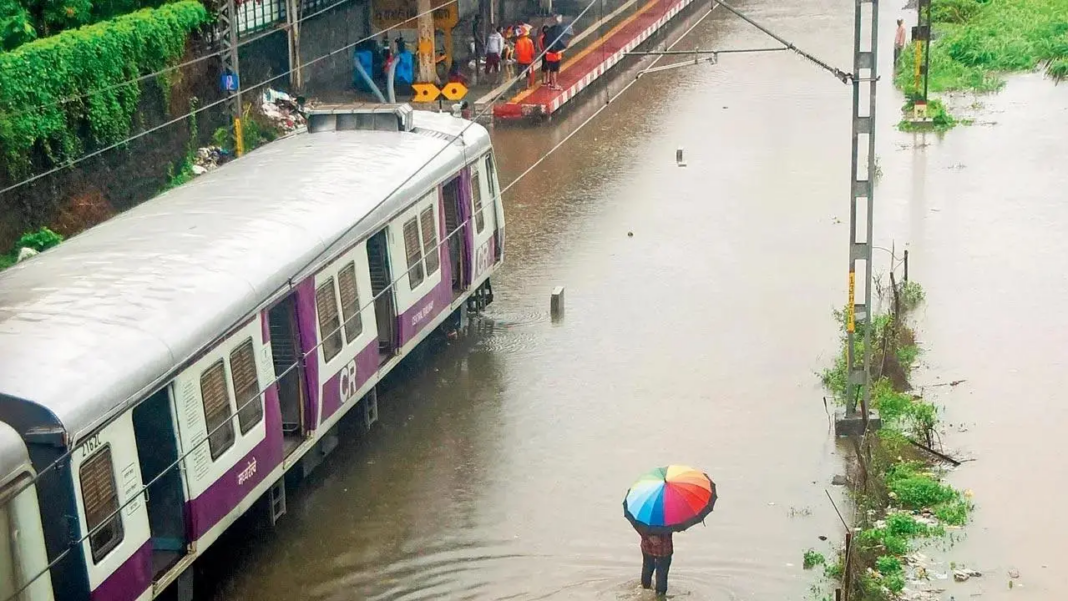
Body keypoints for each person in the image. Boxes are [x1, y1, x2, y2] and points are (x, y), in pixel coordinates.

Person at [639, 529, 673, 596]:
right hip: (664, 550)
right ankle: (660, 595)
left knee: (647, 569)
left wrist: (649, 536)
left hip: (647, 547)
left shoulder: (645, 518)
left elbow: (638, 525)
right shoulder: (669, 518)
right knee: (661, 575)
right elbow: (676, 526)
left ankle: (645, 588)